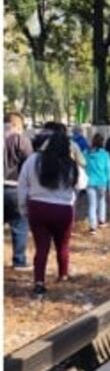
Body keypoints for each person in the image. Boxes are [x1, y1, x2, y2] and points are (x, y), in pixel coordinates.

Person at [17, 127, 88, 296]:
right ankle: (63, 274)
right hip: (63, 210)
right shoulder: (70, 164)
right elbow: (82, 183)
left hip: (38, 207)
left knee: (41, 247)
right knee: (62, 245)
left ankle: (39, 282)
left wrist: (23, 207)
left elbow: (22, 184)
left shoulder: (34, 160)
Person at [5, 112, 34, 270]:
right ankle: (19, 260)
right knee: (19, 224)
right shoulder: (21, 140)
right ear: (16, 125)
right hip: (14, 187)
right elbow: (29, 164)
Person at [85, 133, 110, 234]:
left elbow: (84, 166)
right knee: (102, 201)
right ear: (103, 142)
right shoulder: (105, 154)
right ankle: (102, 220)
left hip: (90, 181)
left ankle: (93, 226)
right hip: (102, 181)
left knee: (92, 204)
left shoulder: (86, 153)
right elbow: (108, 171)